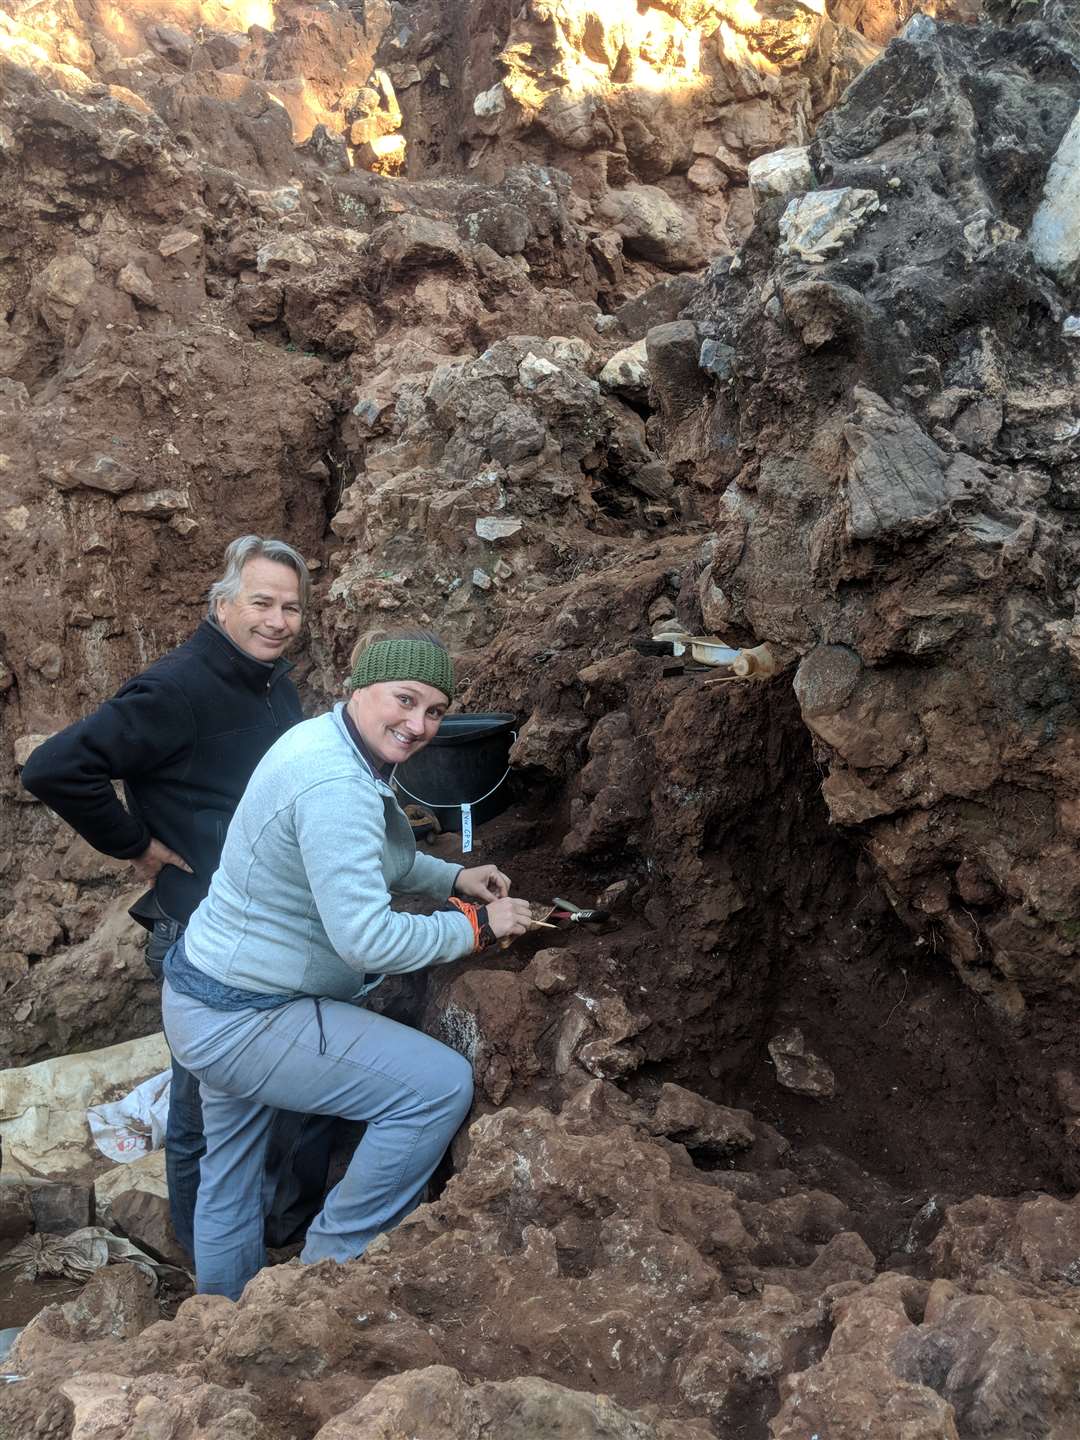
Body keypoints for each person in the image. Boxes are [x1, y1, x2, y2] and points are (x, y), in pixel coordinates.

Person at [160, 631, 533, 1300]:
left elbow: (368, 859)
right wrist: (477, 927)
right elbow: (367, 941)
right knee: (436, 1088)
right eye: (405, 700)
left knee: (231, 1171)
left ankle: (221, 1322)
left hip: (205, 990)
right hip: (245, 1015)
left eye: (435, 711)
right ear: (358, 688)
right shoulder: (336, 783)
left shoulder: (325, 743)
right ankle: (323, 1276)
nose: (418, 725)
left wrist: (453, 876)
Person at [21, 534, 335, 1258]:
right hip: (202, 931)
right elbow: (55, 768)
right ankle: (207, 1265)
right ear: (222, 604)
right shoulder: (178, 687)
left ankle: (277, 1239)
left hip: (271, 925)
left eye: (291, 607)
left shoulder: (268, 682)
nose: (278, 620)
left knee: (277, 1095)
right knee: (202, 1111)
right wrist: (132, 843)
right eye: (261, 603)